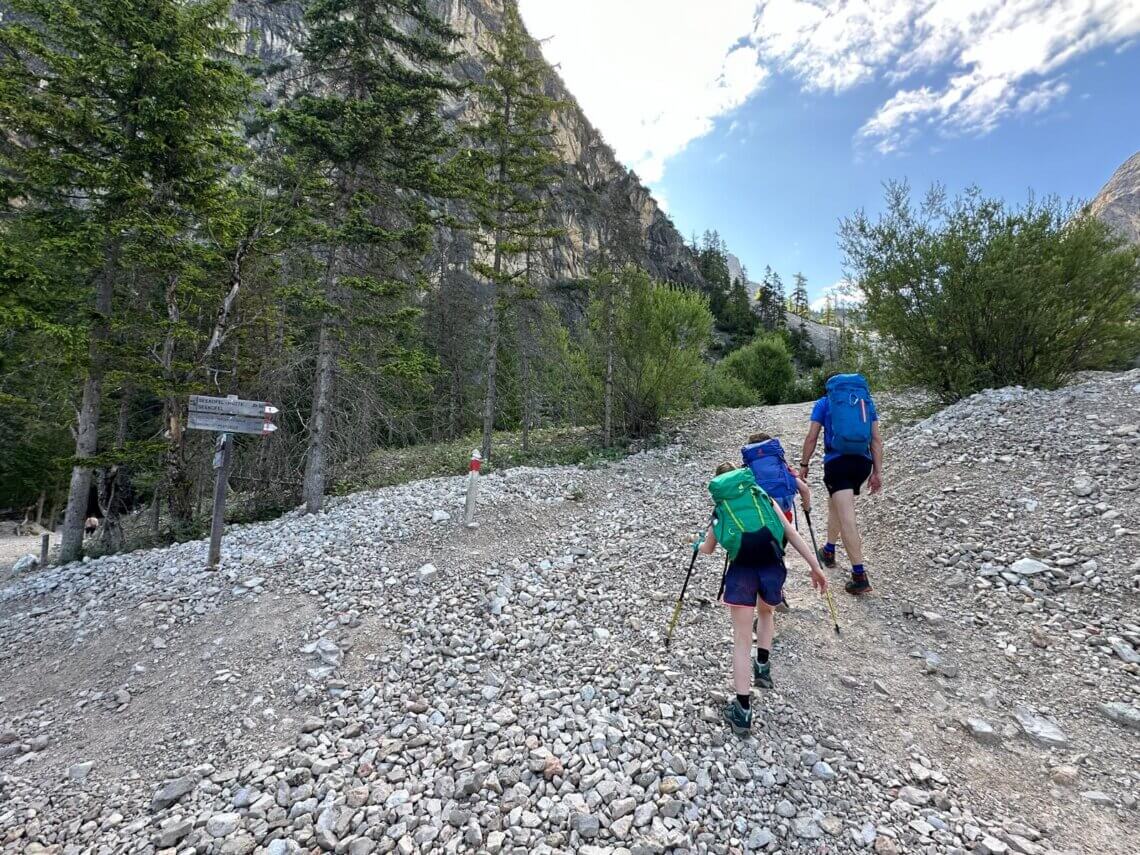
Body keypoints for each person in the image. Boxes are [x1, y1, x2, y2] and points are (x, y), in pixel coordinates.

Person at [698, 463, 828, 735]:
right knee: (767, 613)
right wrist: (815, 567)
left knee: (742, 641)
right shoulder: (762, 496)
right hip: (772, 568)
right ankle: (763, 668)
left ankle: (743, 710)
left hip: (741, 573)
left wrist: (698, 543)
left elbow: (708, 549)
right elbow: (791, 533)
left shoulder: (721, 508)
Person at [799, 373, 883, 595]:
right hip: (862, 464)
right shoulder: (865, 402)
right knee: (834, 504)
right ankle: (828, 550)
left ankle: (859, 576)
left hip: (838, 464)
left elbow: (811, 437)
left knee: (847, 518)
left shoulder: (825, 403)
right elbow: (875, 440)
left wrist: (804, 464)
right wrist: (877, 472)